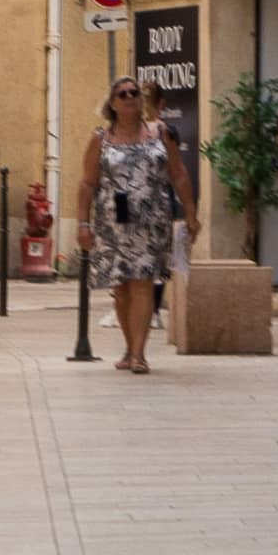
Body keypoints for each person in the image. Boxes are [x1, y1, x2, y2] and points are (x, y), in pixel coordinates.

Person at [75, 75, 196, 374]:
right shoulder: (100, 139)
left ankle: (140, 354)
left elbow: (178, 174)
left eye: (134, 94)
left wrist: (191, 214)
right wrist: (82, 223)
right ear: (112, 104)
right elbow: (87, 183)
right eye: (123, 94)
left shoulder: (160, 133)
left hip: (150, 220)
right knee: (121, 287)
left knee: (142, 282)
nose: (130, 98)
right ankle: (129, 347)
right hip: (112, 222)